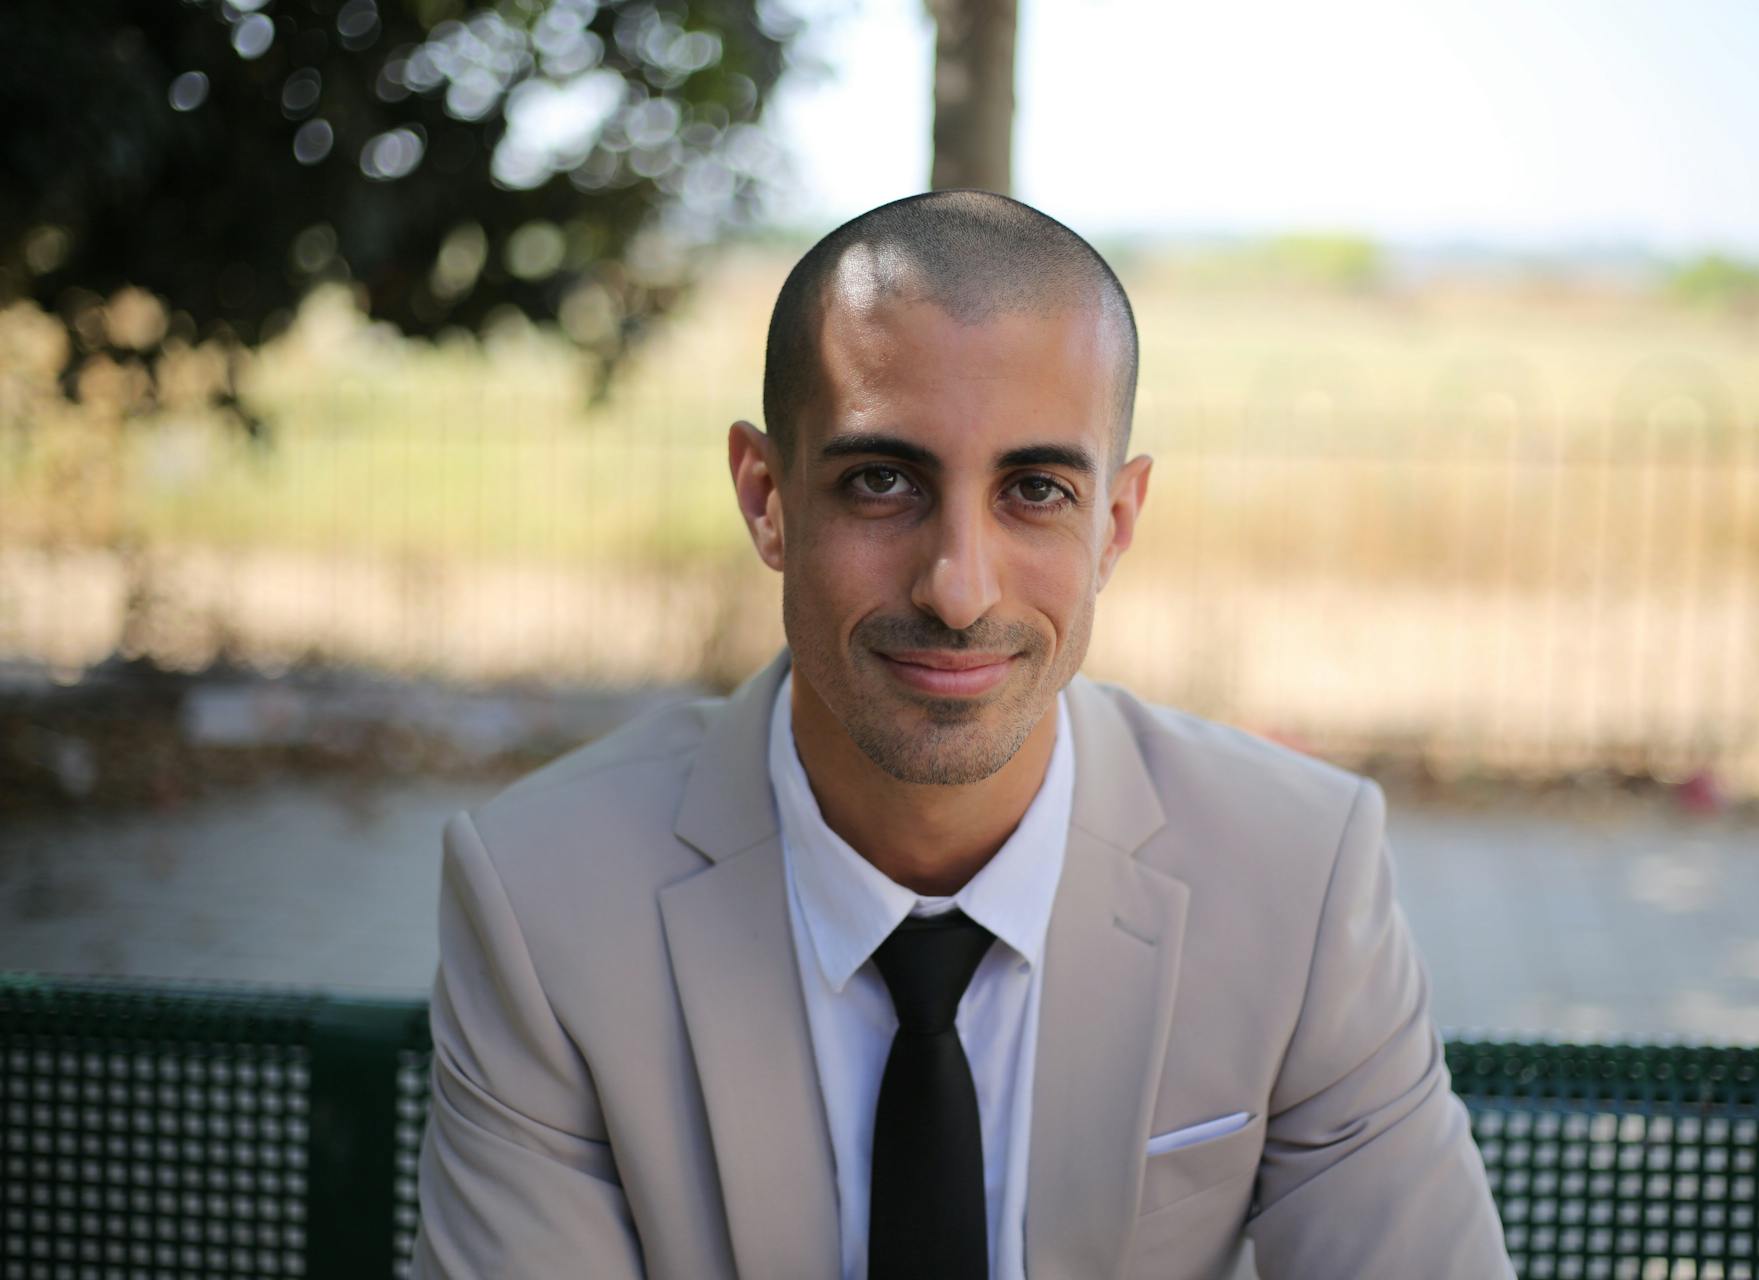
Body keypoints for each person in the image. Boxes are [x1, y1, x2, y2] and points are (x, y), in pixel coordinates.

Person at [409, 190, 1513, 1279]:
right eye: (881, 481)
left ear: (1115, 524)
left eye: (1034, 489)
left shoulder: (1296, 877)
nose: (957, 587)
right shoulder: (542, 898)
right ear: (766, 496)